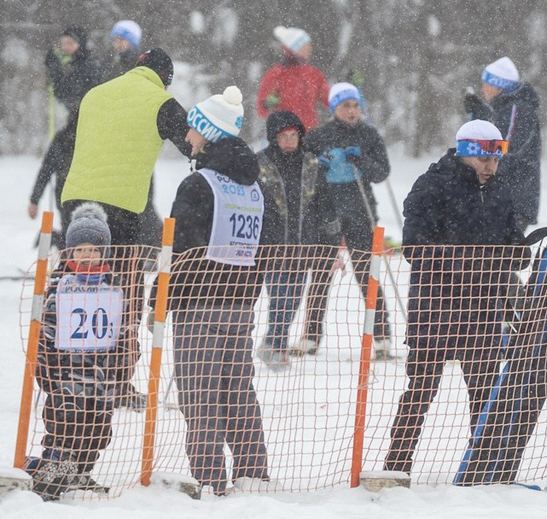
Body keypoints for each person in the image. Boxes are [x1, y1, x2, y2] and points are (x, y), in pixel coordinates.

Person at [378, 120, 527, 476]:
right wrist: (473, 261)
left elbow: (512, 240)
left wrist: (518, 250)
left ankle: (484, 467)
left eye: (496, 159)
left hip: (482, 308)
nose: (492, 167)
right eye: (486, 159)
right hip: (436, 307)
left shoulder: (500, 189)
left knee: (486, 393)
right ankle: (396, 467)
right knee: (420, 392)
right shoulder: (431, 186)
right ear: (467, 154)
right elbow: (416, 248)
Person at [166, 87, 269, 494]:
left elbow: (179, 252)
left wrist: (165, 297)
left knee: (201, 398)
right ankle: (253, 473)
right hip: (240, 305)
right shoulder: (254, 187)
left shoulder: (198, 186)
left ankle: (208, 481)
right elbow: (265, 247)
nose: (187, 137)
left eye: (192, 129)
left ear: (207, 132)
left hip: (198, 307)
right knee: (239, 395)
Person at [29, 204, 140, 499]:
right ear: (69, 253)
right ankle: (54, 468)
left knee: (98, 431)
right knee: (65, 424)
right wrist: (45, 364)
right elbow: (47, 329)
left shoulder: (114, 288)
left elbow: (124, 328)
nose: (86, 256)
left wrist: (126, 360)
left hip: (102, 379)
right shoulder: (59, 286)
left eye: (93, 250)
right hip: (66, 376)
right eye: (80, 251)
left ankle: (81, 471)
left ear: (104, 253)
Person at [298, 82, 394, 358]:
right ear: (333, 108)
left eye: (355, 106)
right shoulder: (318, 135)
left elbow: (381, 172)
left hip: (360, 208)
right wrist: (318, 164)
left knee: (366, 272)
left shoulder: (368, 134)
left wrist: (362, 160)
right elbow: (304, 168)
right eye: (345, 106)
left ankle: (382, 335)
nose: (351, 112)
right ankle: (311, 336)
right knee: (320, 273)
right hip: (326, 208)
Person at [58, 46, 180, 245]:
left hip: (75, 199)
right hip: (121, 207)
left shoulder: (94, 94)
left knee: (77, 268)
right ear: (165, 78)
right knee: (123, 272)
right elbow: (193, 142)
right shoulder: (161, 101)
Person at [254, 108, 318, 363]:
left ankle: (274, 342)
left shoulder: (311, 163)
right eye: (284, 136)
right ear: (274, 138)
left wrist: (327, 239)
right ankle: (276, 345)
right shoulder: (260, 163)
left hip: (303, 244)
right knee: (279, 299)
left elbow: (320, 205)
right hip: (273, 245)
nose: (290, 140)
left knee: (294, 300)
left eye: (294, 135)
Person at [466, 56, 544, 232]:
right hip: (499, 195)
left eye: (486, 84)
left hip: (512, 198)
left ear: (498, 85)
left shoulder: (518, 109)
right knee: (489, 256)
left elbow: (506, 148)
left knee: (499, 257)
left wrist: (473, 167)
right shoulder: (502, 108)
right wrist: (478, 113)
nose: (482, 89)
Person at [255, 27, 330, 129]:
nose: (310, 48)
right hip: (284, 136)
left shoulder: (313, 74)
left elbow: (330, 100)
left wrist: (349, 90)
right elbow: (261, 109)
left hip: (309, 135)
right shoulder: (276, 74)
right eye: (305, 45)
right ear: (295, 48)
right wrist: (267, 104)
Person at [45, 27, 106, 117]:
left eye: (70, 43)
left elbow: (68, 92)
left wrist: (56, 71)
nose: (65, 47)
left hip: (87, 115)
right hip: (75, 115)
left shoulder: (87, 65)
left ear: (80, 43)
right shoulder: (69, 63)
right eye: (63, 44)